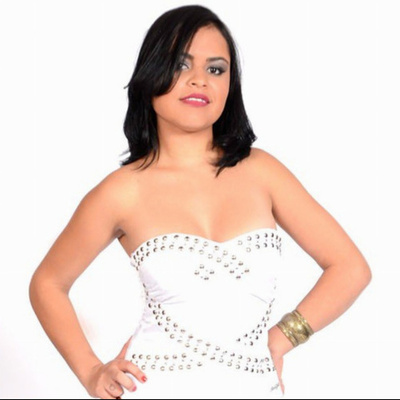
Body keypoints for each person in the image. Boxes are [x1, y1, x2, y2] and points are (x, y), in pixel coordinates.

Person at [29, 5, 372, 399]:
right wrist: (91, 371)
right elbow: (47, 283)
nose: (199, 80)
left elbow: (350, 268)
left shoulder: (262, 172)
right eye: (180, 64)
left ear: (230, 85)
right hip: (154, 388)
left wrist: (281, 339)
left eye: (216, 69)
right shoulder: (121, 191)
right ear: (151, 74)